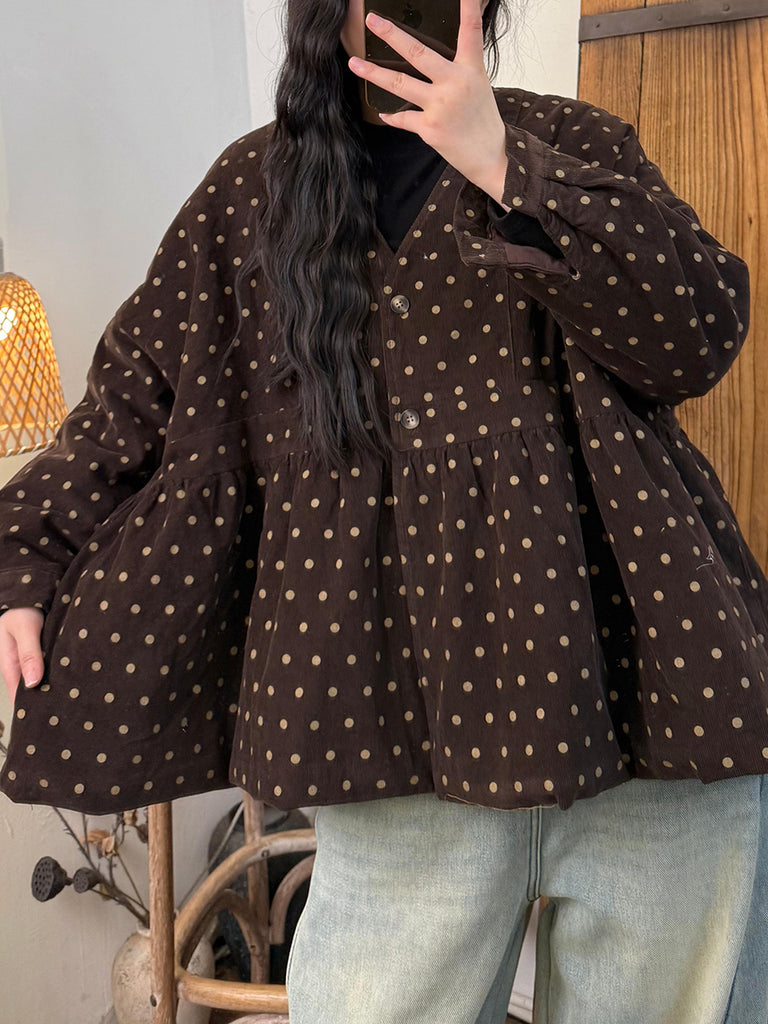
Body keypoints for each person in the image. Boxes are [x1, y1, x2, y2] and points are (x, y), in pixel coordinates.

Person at [0, 0, 767, 1020]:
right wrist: (27, 552)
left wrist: (510, 169)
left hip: (653, 722)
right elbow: (132, 399)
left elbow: (699, 333)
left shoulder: (571, 144)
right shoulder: (252, 195)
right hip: (391, 742)